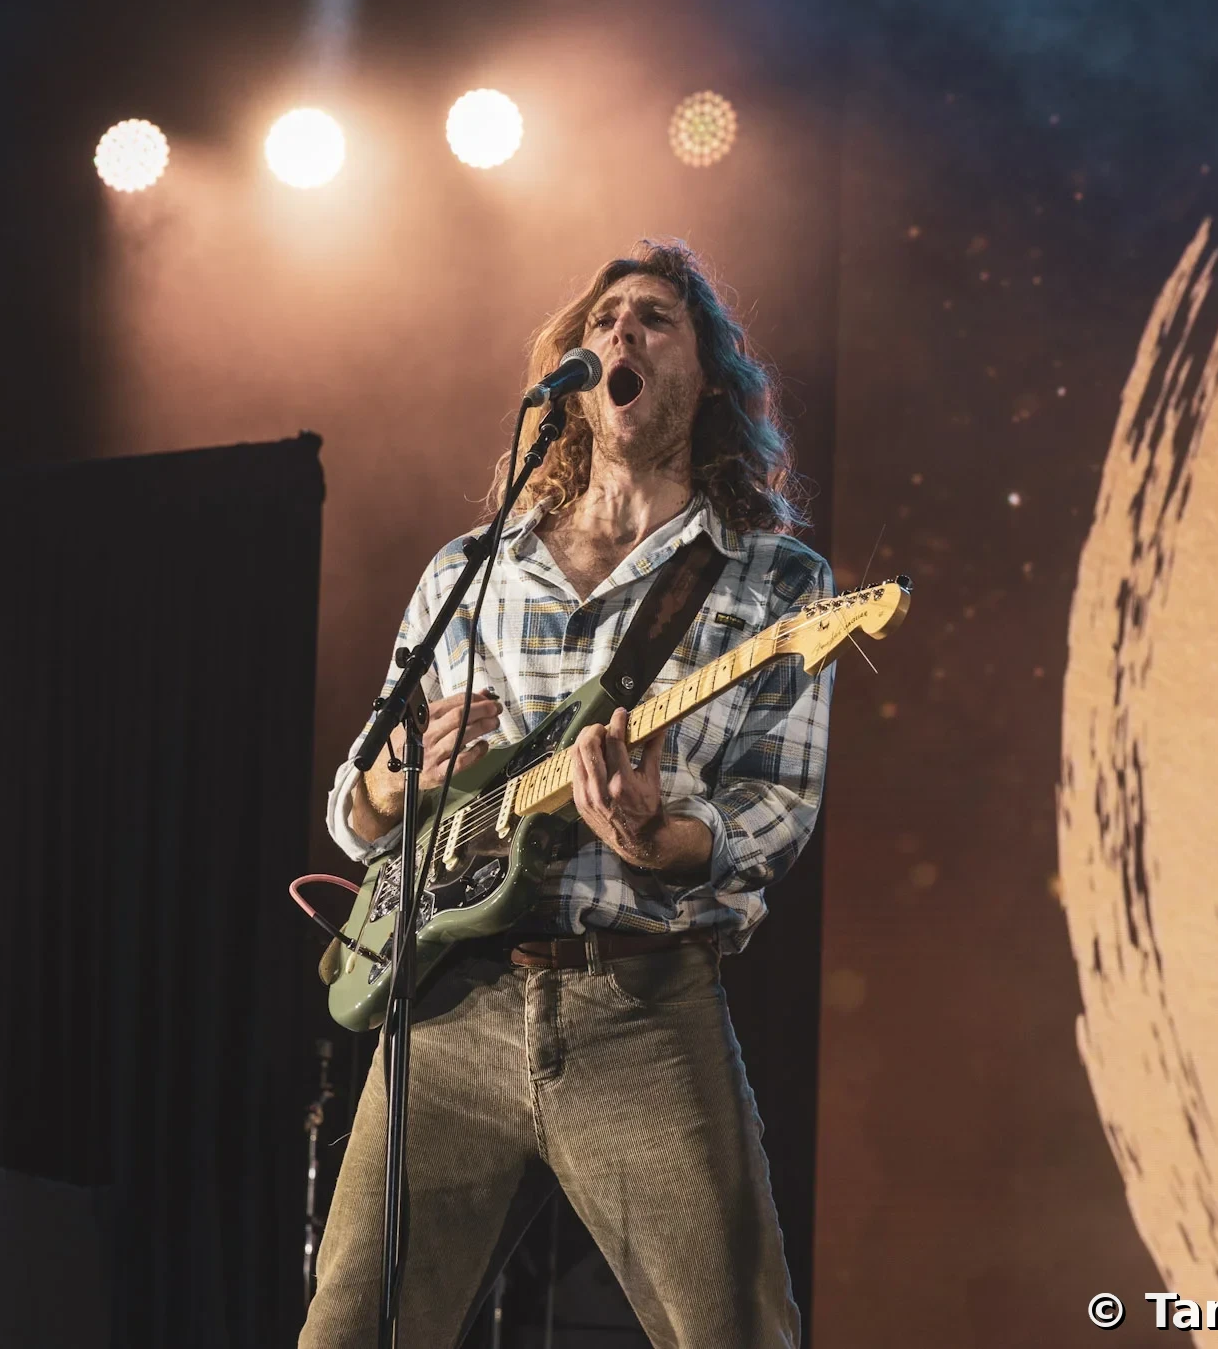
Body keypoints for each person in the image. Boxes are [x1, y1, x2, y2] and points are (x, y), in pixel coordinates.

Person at [300, 240, 831, 1348]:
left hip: (638, 1007)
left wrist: (656, 834)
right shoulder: (469, 570)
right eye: (601, 322)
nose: (619, 335)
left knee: (733, 1330)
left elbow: (774, 810)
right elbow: (354, 808)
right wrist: (397, 786)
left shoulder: (774, 582)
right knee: (348, 1331)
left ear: (709, 376)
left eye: (653, 319)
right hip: (447, 1009)